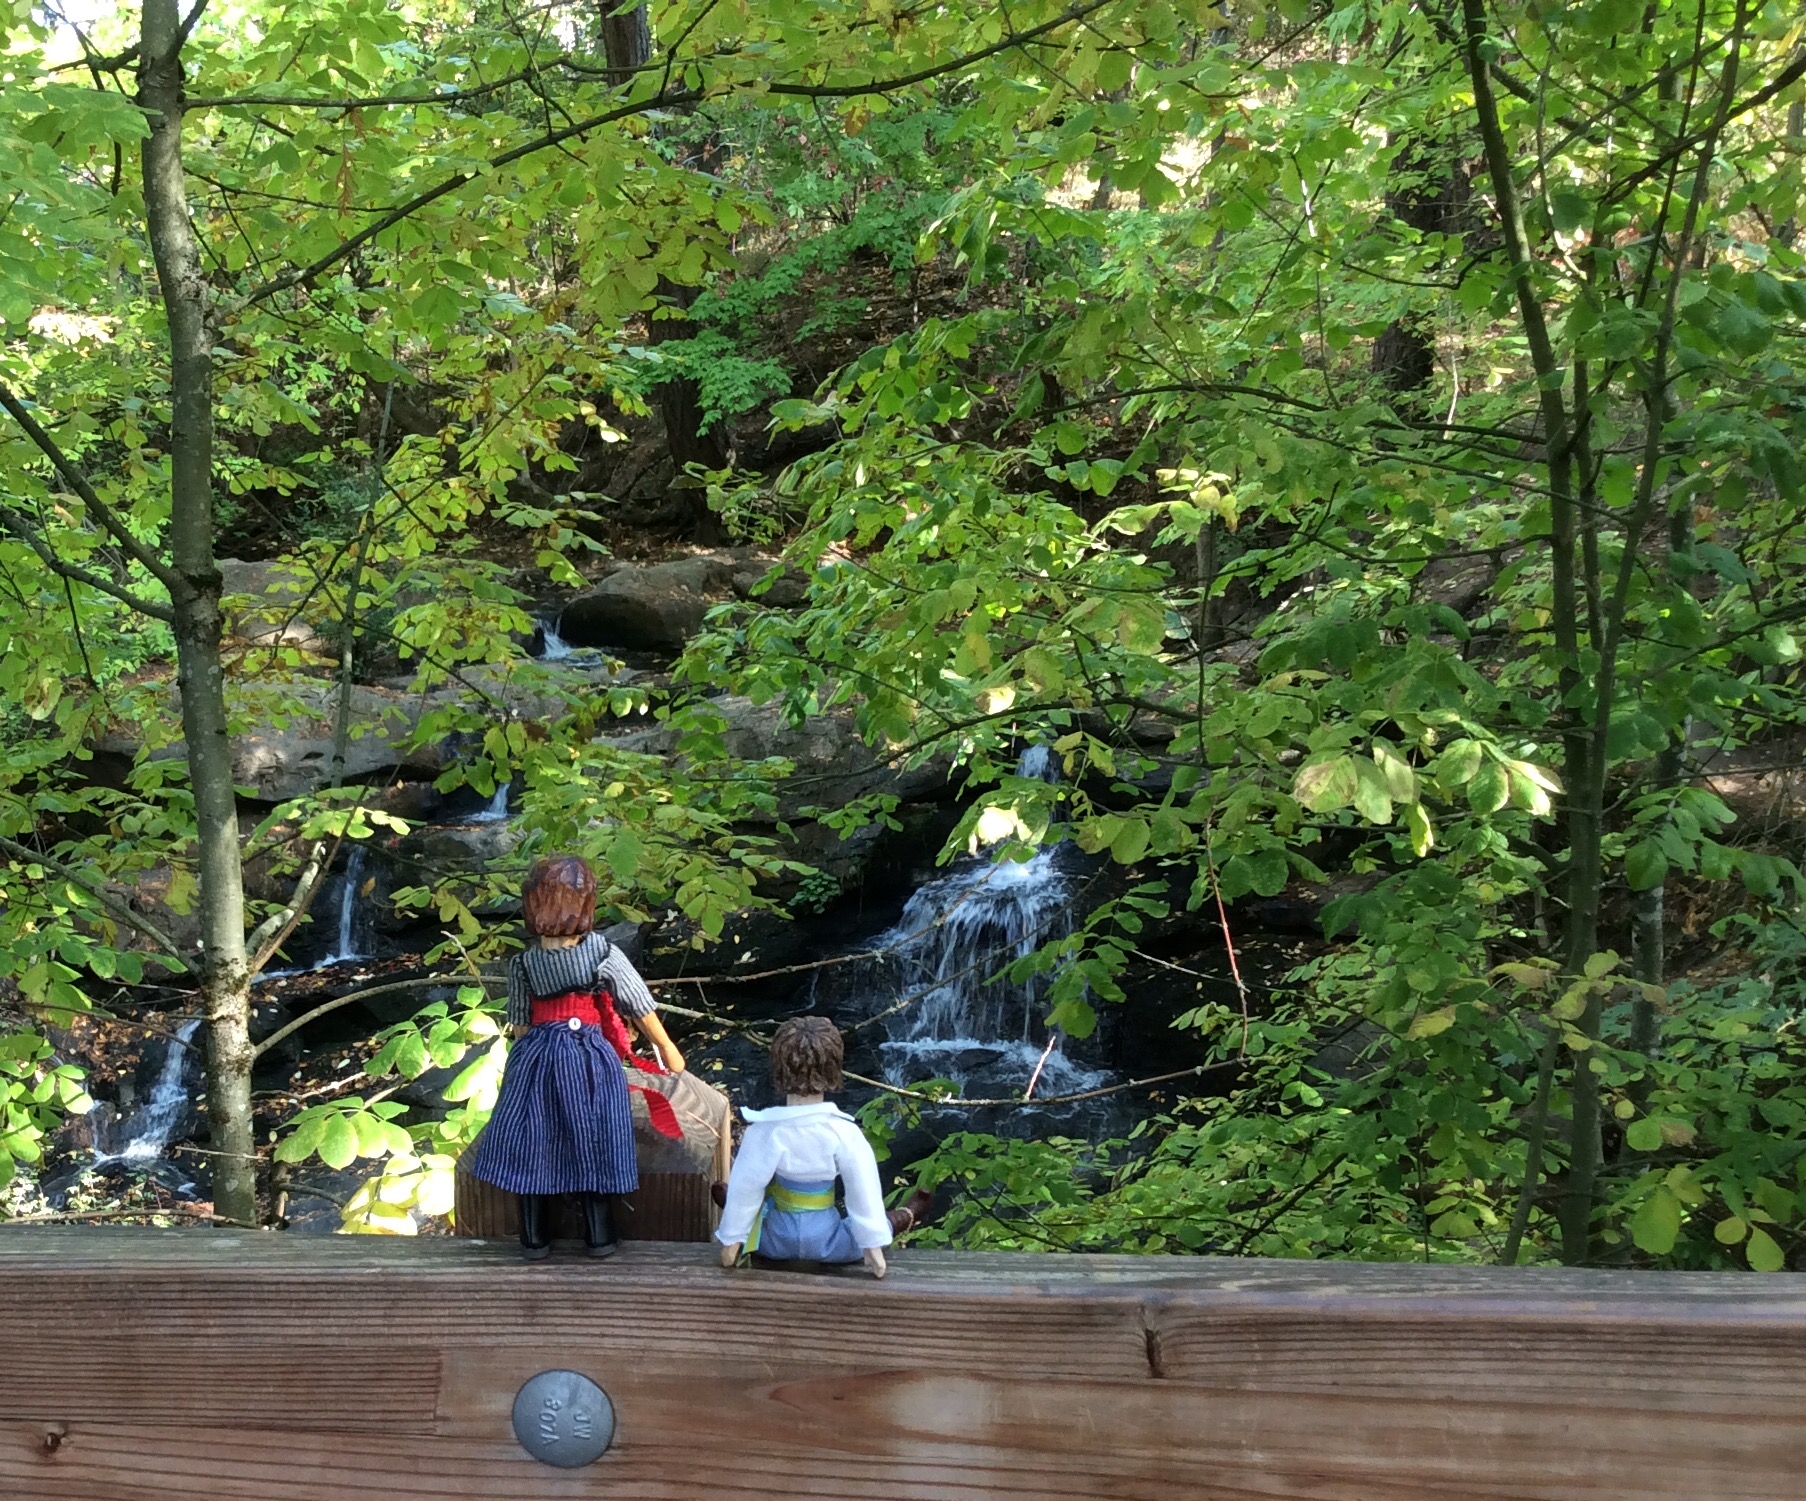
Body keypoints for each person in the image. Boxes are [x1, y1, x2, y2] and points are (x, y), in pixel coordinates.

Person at [467, 854, 697, 1260]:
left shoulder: (524, 962)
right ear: (585, 903)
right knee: (596, 1137)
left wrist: (531, 1062)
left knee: (533, 1140)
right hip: (588, 1055)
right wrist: (666, 1047)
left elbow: (520, 1023)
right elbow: (638, 1005)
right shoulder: (601, 952)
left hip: (536, 1055)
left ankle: (534, 1238)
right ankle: (599, 1236)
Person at [715, 1015, 929, 1279]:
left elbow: (747, 1187)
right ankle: (903, 1217)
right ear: (834, 1067)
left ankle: (733, 1220)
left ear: (778, 1067)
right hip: (828, 1241)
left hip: (774, 1242)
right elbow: (863, 1190)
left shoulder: (763, 1132)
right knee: (862, 1229)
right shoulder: (844, 1132)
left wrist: (732, 1241)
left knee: (748, 1211)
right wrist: (873, 1247)